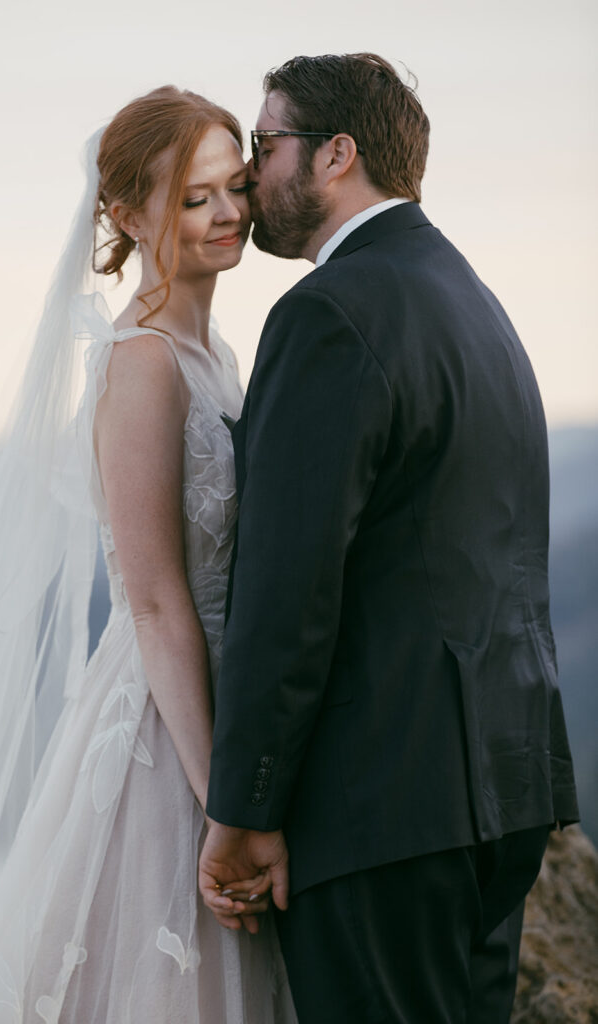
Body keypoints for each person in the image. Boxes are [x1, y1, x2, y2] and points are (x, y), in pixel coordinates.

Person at [199, 53, 580, 1023]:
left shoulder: (328, 313)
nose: (249, 173)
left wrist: (244, 810)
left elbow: (289, 587)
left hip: (380, 803)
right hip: (503, 790)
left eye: (263, 143)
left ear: (335, 155)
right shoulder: (476, 308)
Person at [0, 87, 295, 1022]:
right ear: (127, 216)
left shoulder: (218, 354)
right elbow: (159, 602)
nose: (228, 215)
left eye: (234, 186)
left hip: (229, 699)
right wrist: (225, 808)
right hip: (165, 736)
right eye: (193, 197)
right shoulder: (142, 364)